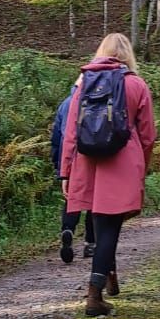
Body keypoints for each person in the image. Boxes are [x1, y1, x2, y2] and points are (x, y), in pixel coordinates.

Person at [60, 33, 157, 318]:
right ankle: (94, 293)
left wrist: (65, 170)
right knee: (110, 228)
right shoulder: (136, 84)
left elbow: (71, 132)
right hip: (122, 162)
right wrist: (143, 165)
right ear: (128, 55)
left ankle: (108, 280)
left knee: (102, 225)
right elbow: (148, 135)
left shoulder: (83, 84)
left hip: (88, 162)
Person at [51, 85, 94, 264]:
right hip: (94, 155)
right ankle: (91, 242)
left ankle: (67, 229)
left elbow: (56, 138)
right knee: (94, 201)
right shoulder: (99, 101)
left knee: (72, 197)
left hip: (70, 157)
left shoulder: (66, 104)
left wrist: (58, 165)